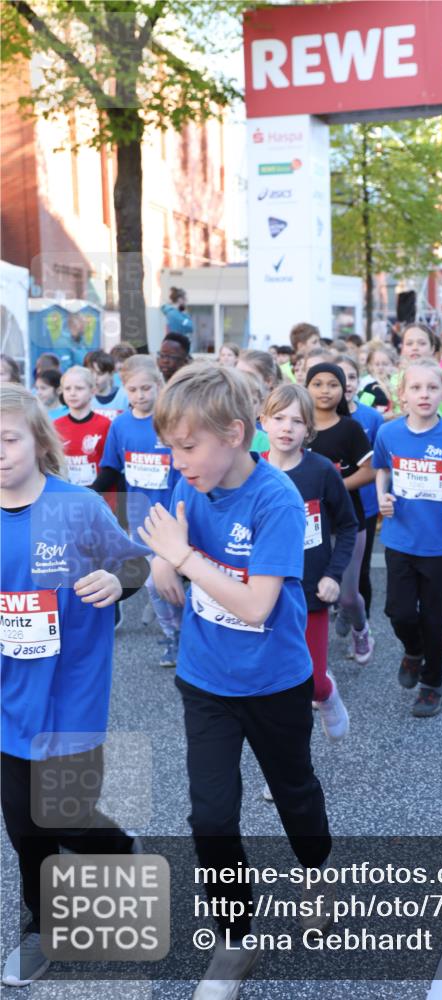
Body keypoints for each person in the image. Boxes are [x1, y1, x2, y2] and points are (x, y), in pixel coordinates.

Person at [136, 362, 332, 999]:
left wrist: (186, 558)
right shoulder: (191, 479)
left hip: (275, 681)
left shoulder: (275, 499)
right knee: (211, 815)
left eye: (188, 446)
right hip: (206, 679)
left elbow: (256, 606)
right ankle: (235, 936)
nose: (178, 459)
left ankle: (316, 869)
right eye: (171, 445)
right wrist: (166, 563)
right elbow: (170, 551)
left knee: (295, 793)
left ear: (236, 433)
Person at [0, 384, 149, 987]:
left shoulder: (78, 507)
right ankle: (41, 928)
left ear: (37, 442)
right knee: (24, 829)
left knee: (64, 815)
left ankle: (115, 847)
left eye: (8, 439)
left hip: (73, 692)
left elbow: (134, 562)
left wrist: (118, 586)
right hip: (9, 700)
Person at [373, 357, 442, 718]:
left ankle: (432, 685)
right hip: (399, 539)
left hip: (437, 545)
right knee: (399, 612)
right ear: (402, 395)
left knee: (434, 619)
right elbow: (381, 471)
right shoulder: (389, 433)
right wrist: (382, 498)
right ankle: (413, 650)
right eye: (416, 388)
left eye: (432, 387)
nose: (424, 394)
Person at [261, 383, 357, 741]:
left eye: (297, 421)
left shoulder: (321, 471)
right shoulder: (252, 472)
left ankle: (328, 694)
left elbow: (348, 525)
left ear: (309, 430)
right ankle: (285, 769)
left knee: (312, 682)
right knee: (278, 687)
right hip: (263, 592)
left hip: (310, 591)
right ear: (263, 422)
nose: (287, 428)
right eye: (279, 418)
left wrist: (334, 574)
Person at [93, 356, 182, 667]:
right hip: (140, 519)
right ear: (124, 389)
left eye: (147, 388)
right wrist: (88, 495)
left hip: (174, 516)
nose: (140, 395)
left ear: (159, 386)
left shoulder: (172, 420)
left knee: (182, 578)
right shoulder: (120, 425)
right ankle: (173, 634)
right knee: (151, 583)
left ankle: (191, 632)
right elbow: (111, 468)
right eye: (133, 389)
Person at [305, 363, 376, 663]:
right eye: (317, 383)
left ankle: (361, 629)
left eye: (332, 384)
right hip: (309, 523)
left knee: (348, 595)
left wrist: (333, 488)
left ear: (344, 389)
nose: (324, 390)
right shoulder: (299, 426)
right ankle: (310, 659)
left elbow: (370, 471)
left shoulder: (350, 428)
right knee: (310, 593)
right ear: (306, 388)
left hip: (348, 521)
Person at [335, 354, 384, 618]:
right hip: (329, 507)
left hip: (364, 504)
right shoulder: (317, 417)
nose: (347, 384)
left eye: (352, 377)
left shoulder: (372, 418)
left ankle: (359, 618)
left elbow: (379, 464)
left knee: (361, 569)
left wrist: (381, 495)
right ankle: (343, 604)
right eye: (340, 378)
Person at [54, 366, 112, 486]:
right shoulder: (55, 426)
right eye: (67, 389)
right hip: (68, 495)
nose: (72, 393)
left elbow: (111, 467)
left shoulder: (105, 424)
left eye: (79, 388)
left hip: (98, 497)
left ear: (92, 391)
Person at [85, 349, 129, 420]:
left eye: (100, 374)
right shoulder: (84, 398)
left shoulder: (125, 397)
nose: (94, 378)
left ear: (111, 374)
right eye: (91, 373)